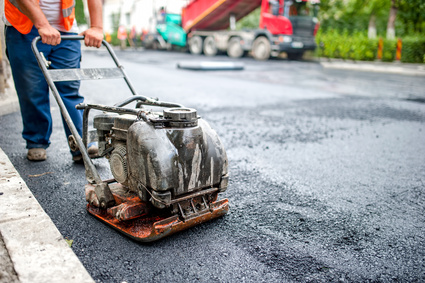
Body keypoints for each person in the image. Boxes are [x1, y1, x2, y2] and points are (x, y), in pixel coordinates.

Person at [3, 0, 103, 162]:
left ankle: (80, 144)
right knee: (32, 89)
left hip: (66, 31)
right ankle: (36, 140)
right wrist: (42, 24)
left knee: (69, 88)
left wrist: (97, 28)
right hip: (24, 28)